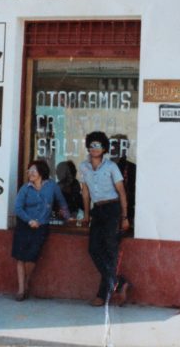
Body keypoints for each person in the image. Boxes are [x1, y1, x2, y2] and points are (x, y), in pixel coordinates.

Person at [78, 131, 131, 307]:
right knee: (93, 249)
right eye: (92, 145)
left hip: (112, 209)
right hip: (97, 210)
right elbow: (85, 192)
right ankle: (119, 282)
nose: (94, 148)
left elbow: (122, 192)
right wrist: (86, 215)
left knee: (109, 250)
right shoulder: (84, 167)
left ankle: (102, 294)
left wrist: (124, 217)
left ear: (104, 148)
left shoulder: (111, 167)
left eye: (98, 145)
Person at [12, 159, 69, 301]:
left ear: (41, 172)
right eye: (29, 170)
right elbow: (18, 208)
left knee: (32, 257)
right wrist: (29, 220)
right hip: (24, 226)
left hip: (41, 226)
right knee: (20, 257)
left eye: (33, 170)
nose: (30, 173)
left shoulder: (52, 186)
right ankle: (20, 289)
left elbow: (61, 202)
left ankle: (25, 282)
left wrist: (68, 217)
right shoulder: (25, 188)